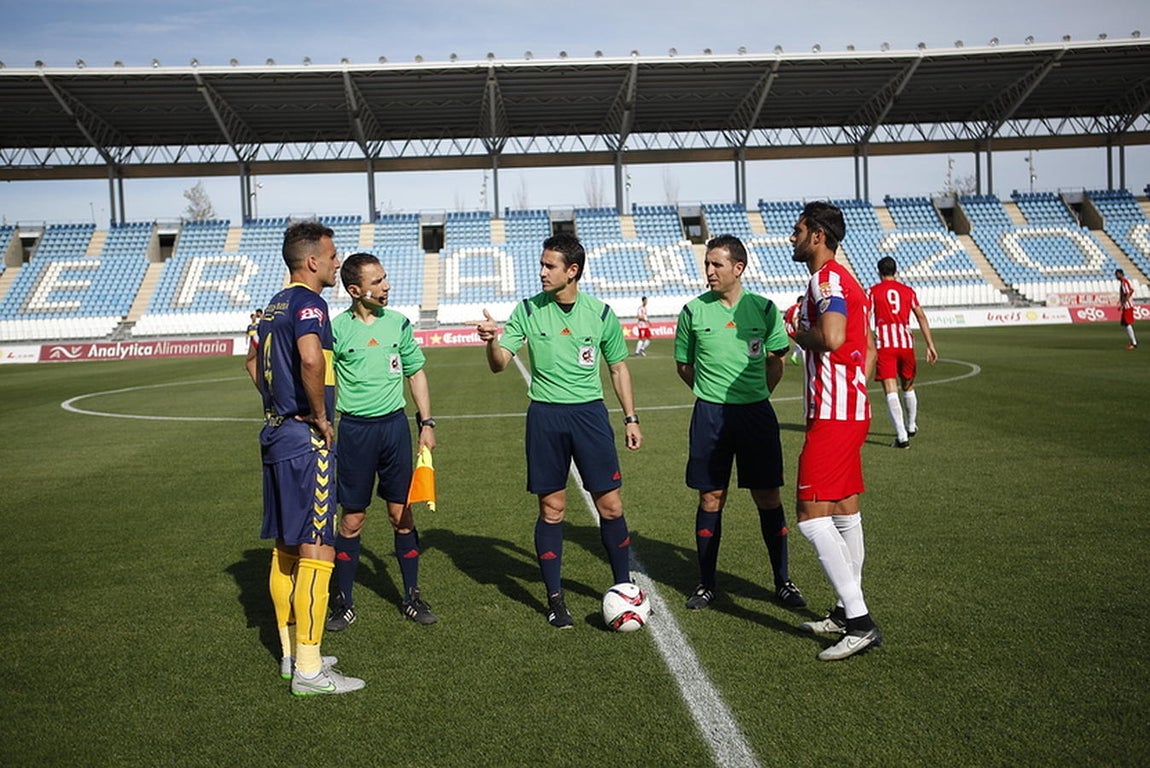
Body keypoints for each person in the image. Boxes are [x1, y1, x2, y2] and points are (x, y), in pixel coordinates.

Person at [475, 233, 642, 629]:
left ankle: (624, 588)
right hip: (546, 417)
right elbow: (500, 363)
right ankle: (554, 599)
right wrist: (492, 339)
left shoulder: (601, 314)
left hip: (590, 417)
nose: (542, 272)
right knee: (552, 508)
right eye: (542, 264)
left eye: (550, 265)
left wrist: (630, 417)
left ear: (573, 270)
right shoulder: (529, 310)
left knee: (611, 506)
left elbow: (618, 367)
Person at [244, 221, 364, 694]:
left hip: (275, 433)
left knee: (287, 548)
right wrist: (319, 416)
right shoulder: (310, 303)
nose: (337, 263)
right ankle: (311, 672)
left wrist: (278, 402)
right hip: (304, 439)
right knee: (319, 547)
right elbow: (312, 359)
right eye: (333, 256)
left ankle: (292, 656)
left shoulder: (273, 304)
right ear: (312, 261)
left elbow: (252, 364)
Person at [673, 234, 806, 611]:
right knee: (711, 496)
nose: (709, 271)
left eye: (717, 264)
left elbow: (777, 358)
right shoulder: (693, 311)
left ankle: (783, 581)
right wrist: (709, 391)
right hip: (710, 414)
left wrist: (758, 393)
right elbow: (684, 365)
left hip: (756, 414)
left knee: (768, 495)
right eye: (707, 264)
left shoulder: (763, 309)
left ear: (738, 268)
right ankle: (706, 584)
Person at [325, 252, 438, 633]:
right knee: (353, 519)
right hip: (355, 431)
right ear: (355, 290)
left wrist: (426, 422)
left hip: (394, 429)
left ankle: (411, 594)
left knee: (401, 514)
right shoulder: (336, 329)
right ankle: (343, 600)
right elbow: (321, 377)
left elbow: (416, 373)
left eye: (386, 279)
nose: (386, 286)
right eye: (378, 282)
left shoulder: (399, 325)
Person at [789, 201, 882, 662]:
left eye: (798, 230)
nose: (793, 237)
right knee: (844, 508)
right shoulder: (847, 280)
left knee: (810, 514)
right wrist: (856, 385)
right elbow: (866, 347)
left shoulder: (827, 280)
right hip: (849, 408)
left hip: (834, 413)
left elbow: (834, 337)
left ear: (818, 236)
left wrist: (797, 332)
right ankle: (848, 611)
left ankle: (860, 621)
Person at [869, 256, 938, 448]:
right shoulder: (908, 291)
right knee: (908, 385)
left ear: (879, 272)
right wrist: (930, 345)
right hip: (906, 344)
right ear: (895, 271)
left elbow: (865, 318)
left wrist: (868, 341)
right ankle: (911, 424)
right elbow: (921, 317)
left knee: (891, 389)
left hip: (885, 345)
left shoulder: (873, 292)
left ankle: (902, 437)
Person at [1116, 269, 1139, 350]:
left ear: (1121, 274)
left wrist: (1123, 304)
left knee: (1127, 323)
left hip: (1127, 306)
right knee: (1124, 323)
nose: (1116, 276)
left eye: (1117, 274)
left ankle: (1134, 343)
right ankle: (1133, 341)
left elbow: (1128, 293)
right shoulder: (1124, 282)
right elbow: (1131, 290)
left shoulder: (1124, 283)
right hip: (1127, 306)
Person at [784, 295, 804, 365]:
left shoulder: (791, 307)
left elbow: (784, 317)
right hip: (791, 328)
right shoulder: (797, 307)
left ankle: (794, 357)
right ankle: (795, 357)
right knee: (803, 342)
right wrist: (796, 330)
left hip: (787, 326)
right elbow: (793, 319)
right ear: (801, 301)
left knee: (801, 342)